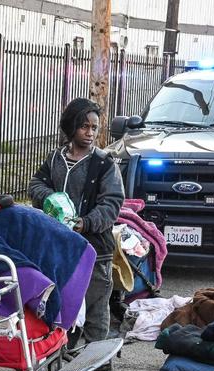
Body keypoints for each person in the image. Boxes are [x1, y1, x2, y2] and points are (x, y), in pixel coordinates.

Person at [29, 98, 125, 345]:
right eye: (84, 126)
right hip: (60, 247)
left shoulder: (104, 163)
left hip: (94, 250)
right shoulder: (55, 158)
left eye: (94, 127)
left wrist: (85, 223)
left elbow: (111, 204)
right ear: (71, 127)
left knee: (95, 306)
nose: (90, 132)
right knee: (65, 305)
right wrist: (49, 197)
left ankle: (98, 360)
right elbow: (36, 183)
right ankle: (65, 353)